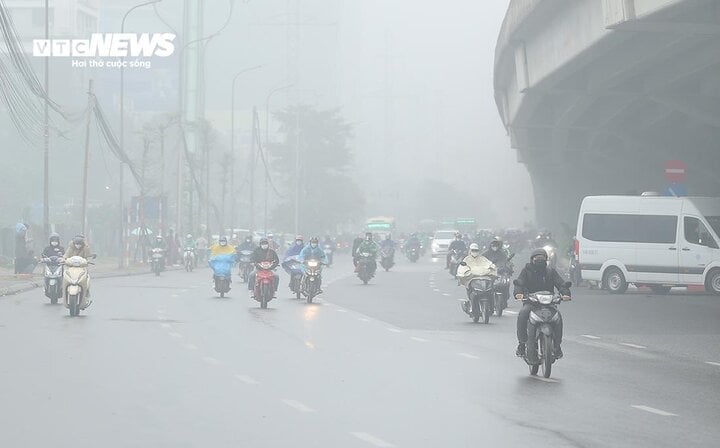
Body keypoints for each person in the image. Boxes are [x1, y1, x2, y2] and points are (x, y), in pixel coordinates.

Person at [513, 249, 571, 361]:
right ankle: (521, 344)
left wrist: (565, 293)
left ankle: (557, 346)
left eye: (542, 258)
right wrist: (518, 293)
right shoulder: (526, 271)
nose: (539, 260)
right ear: (532, 260)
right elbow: (519, 283)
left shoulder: (550, 272)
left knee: (558, 318)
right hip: (531, 303)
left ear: (546, 259)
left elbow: (561, 283)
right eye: (537, 258)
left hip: (549, 304)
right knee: (522, 314)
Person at [63, 235, 93, 304]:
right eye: (76, 244)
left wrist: (86, 246)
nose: (78, 246)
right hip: (71, 267)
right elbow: (66, 255)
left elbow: (88, 254)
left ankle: (87, 291)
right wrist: (63, 259)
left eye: (80, 244)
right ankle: (64, 290)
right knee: (65, 275)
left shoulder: (85, 248)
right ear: (74, 243)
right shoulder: (71, 248)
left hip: (82, 267)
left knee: (87, 277)